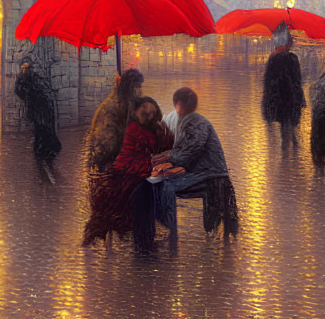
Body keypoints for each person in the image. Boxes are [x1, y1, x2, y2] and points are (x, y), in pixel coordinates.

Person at [131, 87, 237, 249]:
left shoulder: (196, 122)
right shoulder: (184, 120)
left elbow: (191, 152)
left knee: (165, 186)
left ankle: (170, 234)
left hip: (210, 174)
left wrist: (167, 162)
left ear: (178, 104)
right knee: (153, 183)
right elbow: (180, 150)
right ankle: (154, 233)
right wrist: (159, 160)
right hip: (198, 171)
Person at [84, 96, 174, 247]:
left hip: (138, 172)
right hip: (127, 172)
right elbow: (142, 154)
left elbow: (164, 146)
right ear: (136, 110)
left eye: (151, 112)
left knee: (155, 190)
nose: (147, 114)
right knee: (146, 192)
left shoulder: (150, 129)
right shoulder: (134, 128)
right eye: (144, 110)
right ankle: (146, 241)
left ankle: (147, 239)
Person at [86, 68, 143, 171]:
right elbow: (106, 144)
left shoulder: (127, 103)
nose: (140, 91)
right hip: (106, 164)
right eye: (138, 87)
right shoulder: (112, 107)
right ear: (131, 87)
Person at [260, 23, 306, 138]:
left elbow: (267, 82)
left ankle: (285, 153)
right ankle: (292, 152)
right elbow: (297, 80)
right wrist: (300, 99)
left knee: (283, 131)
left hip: (278, 100)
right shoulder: (292, 58)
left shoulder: (273, 59)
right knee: (293, 131)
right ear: (287, 44)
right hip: (290, 99)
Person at [14, 60, 62, 171]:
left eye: (26, 66)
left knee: (43, 128)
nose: (25, 68)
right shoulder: (24, 77)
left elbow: (24, 90)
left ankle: (45, 152)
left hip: (42, 106)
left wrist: (29, 95)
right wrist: (28, 96)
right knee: (40, 129)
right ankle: (42, 153)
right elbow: (19, 90)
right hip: (38, 107)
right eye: (23, 66)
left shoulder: (31, 76)